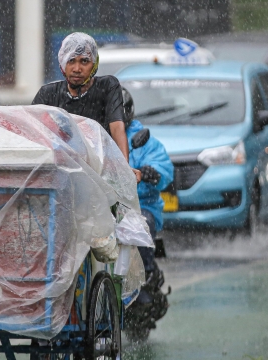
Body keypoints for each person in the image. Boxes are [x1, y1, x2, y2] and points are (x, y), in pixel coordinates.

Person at [32, 32, 141, 181]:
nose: (77, 68)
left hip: (100, 175)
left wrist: (124, 168)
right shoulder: (48, 93)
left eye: (84, 61)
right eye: (71, 61)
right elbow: (31, 133)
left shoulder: (108, 86)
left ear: (94, 64)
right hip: (60, 176)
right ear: (62, 63)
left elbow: (117, 127)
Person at [123, 87, 174, 340]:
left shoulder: (144, 140)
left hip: (142, 206)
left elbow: (164, 167)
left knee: (139, 225)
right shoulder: (95, 134)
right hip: (103, 205)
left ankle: (142, 287)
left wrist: (152, 172)